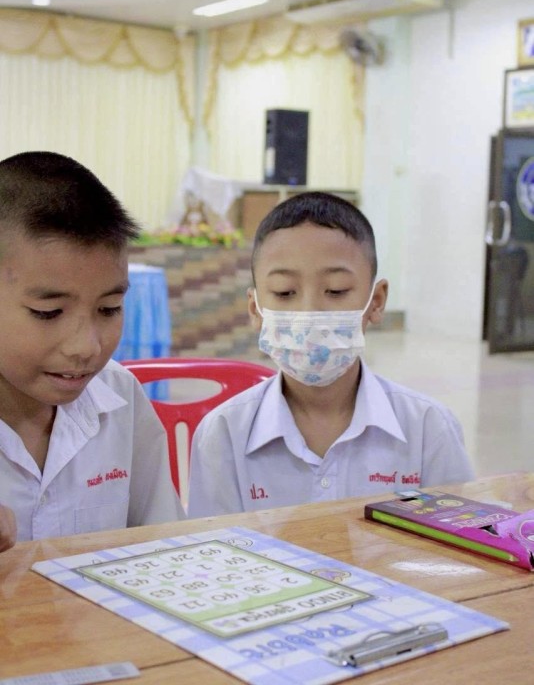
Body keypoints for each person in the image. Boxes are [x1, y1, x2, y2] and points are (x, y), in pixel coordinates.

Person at [188, 191, 474, 518]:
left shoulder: (428, 429)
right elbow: (213, 543)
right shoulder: (223, 434)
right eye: (284, 292)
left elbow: (460, 535)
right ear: (256, 309)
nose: (309, 312)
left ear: (376, 302)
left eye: (336, 290)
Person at [0, 151, 185, 551]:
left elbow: (165, 544)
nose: (87, 347)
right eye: (48, 313)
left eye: (109, 309)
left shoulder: (120, 397)